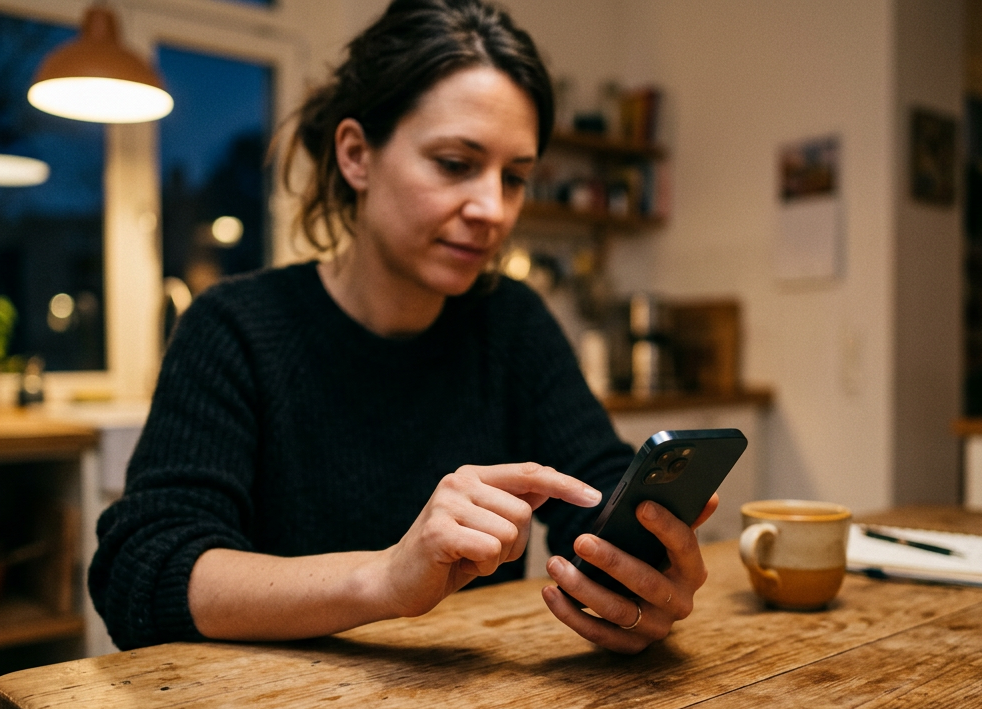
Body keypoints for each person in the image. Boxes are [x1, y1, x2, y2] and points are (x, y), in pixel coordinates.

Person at [88, 0, 715, 655]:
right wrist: (385, 577)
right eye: (454, 163)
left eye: (516, 177)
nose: (492, 209)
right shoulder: (234, 328)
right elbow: (142, 570)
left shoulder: (512, 323)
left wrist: (638, 562)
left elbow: (592, 485)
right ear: (357, 155)